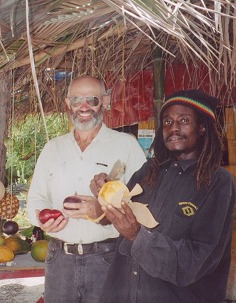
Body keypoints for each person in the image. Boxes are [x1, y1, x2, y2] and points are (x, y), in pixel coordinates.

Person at [91, 89, 236, 303]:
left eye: (184, 120)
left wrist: (137, 236)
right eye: (167, 122)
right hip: (125, 291)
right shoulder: (149, 170)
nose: (174, 127)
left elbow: (197, 260)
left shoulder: (218, 182)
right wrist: (104, 195)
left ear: (202, 127)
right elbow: (118, 215)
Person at [27, 75, 146, 303]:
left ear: (106, 101)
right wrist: (41, 219)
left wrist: (102, 212)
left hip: (108, 257)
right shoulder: (53, 148)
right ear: (67, 103)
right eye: (76, 100)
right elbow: (36, 199)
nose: (84, 107)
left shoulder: (126, 144)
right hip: (59, 258)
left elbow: (143, 202)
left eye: (92, 99)